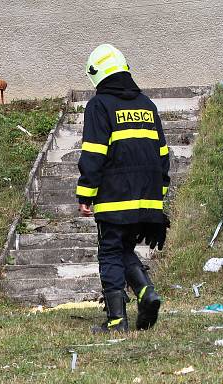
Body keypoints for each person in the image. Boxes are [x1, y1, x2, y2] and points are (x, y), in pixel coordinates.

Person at [75, 44, 171, 334]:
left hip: (115, 198)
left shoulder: (99, 105)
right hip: (148, 199)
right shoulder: (146, 105)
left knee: (110, 253)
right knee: (124, 248)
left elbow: (93, 152)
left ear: (98, 74)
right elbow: (163, 153)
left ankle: (117, 321)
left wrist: (86, 193)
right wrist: (159, 197)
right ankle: (146, 294)